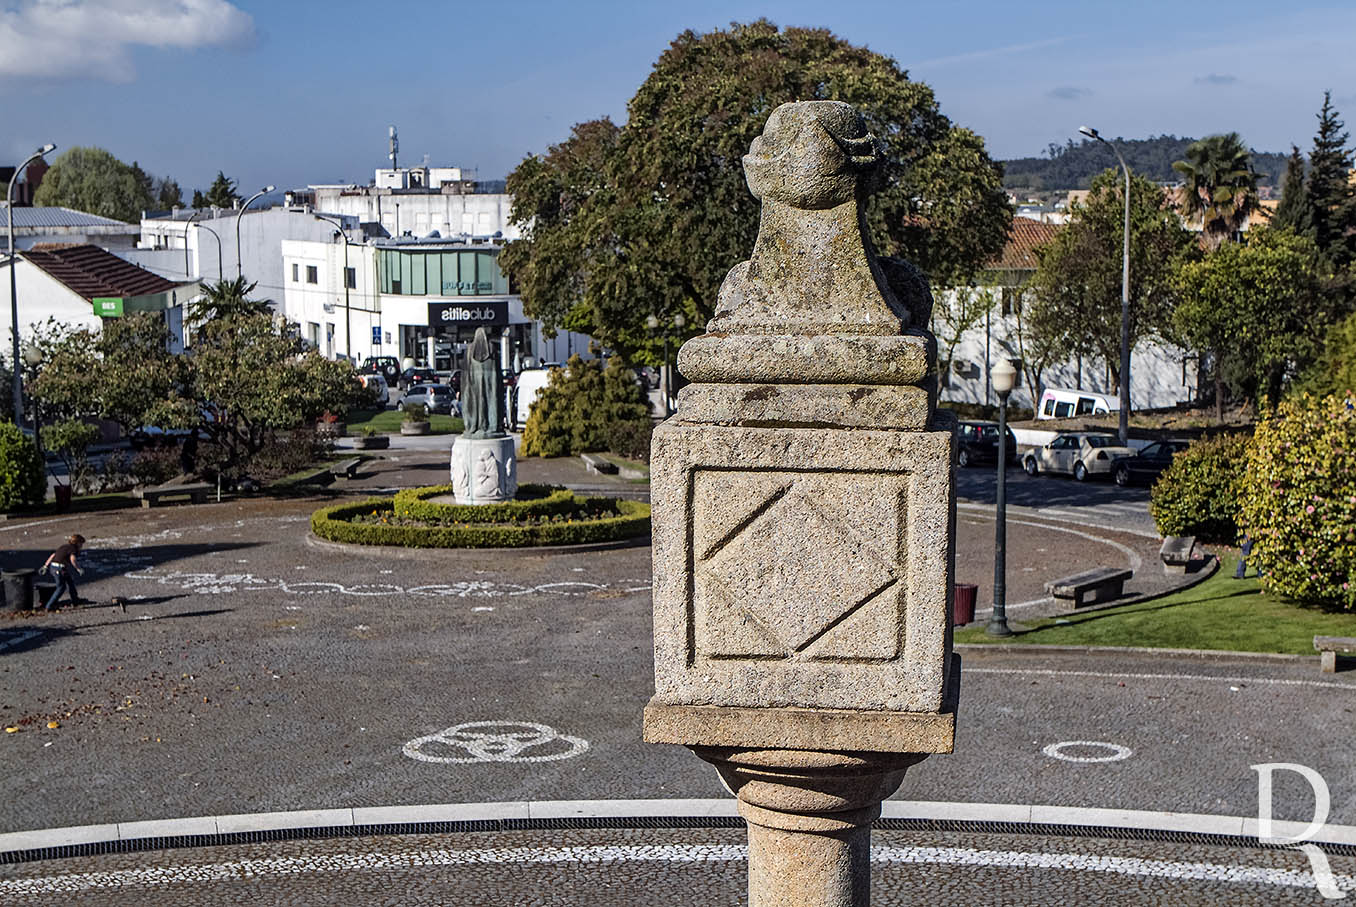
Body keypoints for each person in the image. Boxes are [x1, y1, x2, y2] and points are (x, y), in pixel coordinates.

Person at [42, 534, 85, 611]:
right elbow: (73, 559)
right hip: (59, 569)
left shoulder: (64, 546)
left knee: (70, 581)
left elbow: (53, 555)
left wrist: (45, 566)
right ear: (77, 543)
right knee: (61, 587)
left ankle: (75, 601)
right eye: (81, 543)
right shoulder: (73, 549)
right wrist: (78, 569)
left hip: (54, 567)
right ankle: (49, 606)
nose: (81, 546)